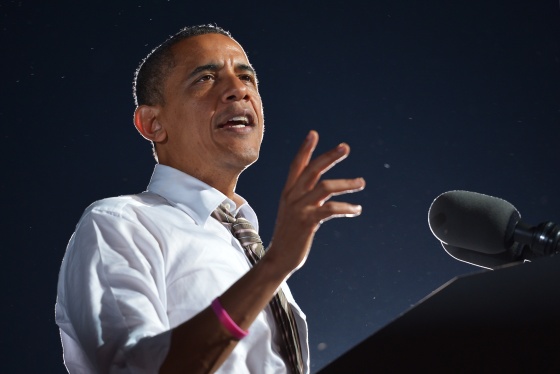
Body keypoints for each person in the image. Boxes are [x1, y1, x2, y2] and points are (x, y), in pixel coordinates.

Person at [55, 24, 366, 373]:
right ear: (152, 124)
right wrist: (274, 266)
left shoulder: (245, 244)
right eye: (205, 79)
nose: (238, 90)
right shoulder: (119, 224)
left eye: (247, 78)